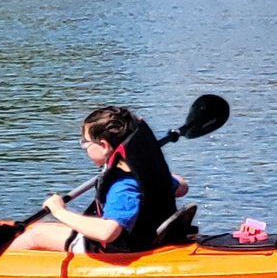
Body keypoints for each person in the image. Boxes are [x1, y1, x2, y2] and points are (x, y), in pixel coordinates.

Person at [13, 106, 187, 255]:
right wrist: (161, 175)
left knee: (36, 235)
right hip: (148, 240)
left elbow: (107, 233)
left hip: (118, 250)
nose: (84, 147)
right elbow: (182, 187)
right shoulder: (145, 174)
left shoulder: (122, 186)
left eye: (85, 143)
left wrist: (59, 211)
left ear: (103, 145)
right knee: (48, 229)